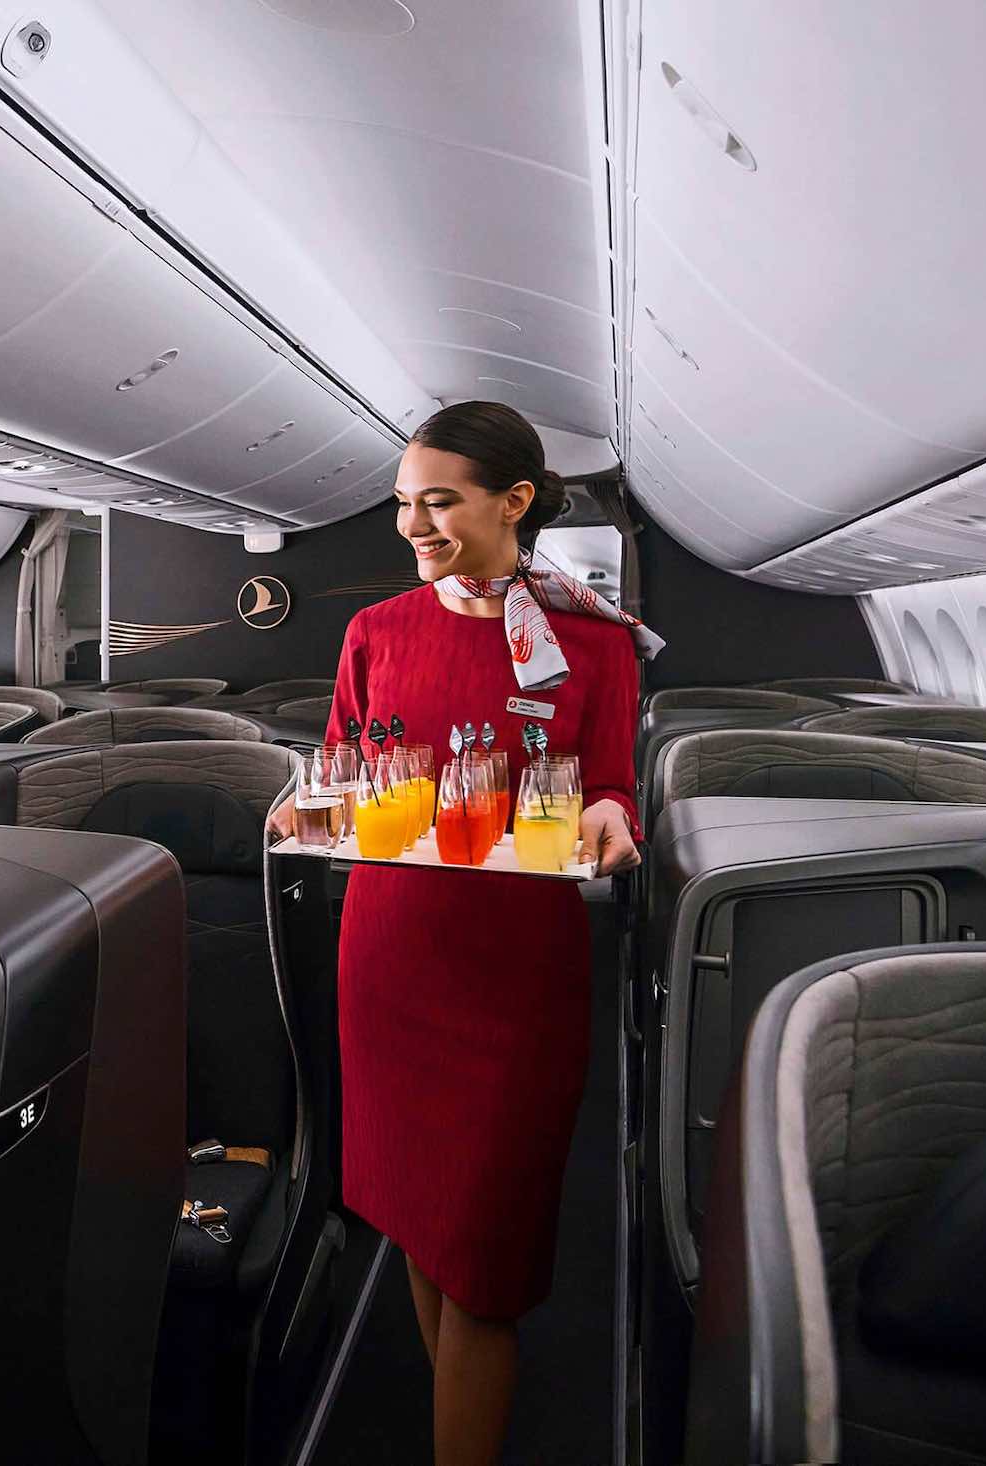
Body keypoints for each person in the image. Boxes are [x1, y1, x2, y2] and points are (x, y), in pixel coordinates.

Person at [322, 402, 660, 1465]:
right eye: (401, 503)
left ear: (514, 501)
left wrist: (614, 813)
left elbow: (607, 779)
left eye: (439, 500)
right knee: (430, 1230)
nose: (413, 524)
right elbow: (339, 766)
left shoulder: (595, 643)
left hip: (512, 977)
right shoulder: (374, 631)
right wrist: (302, 808)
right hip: (389, 959)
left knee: (485, 1263)